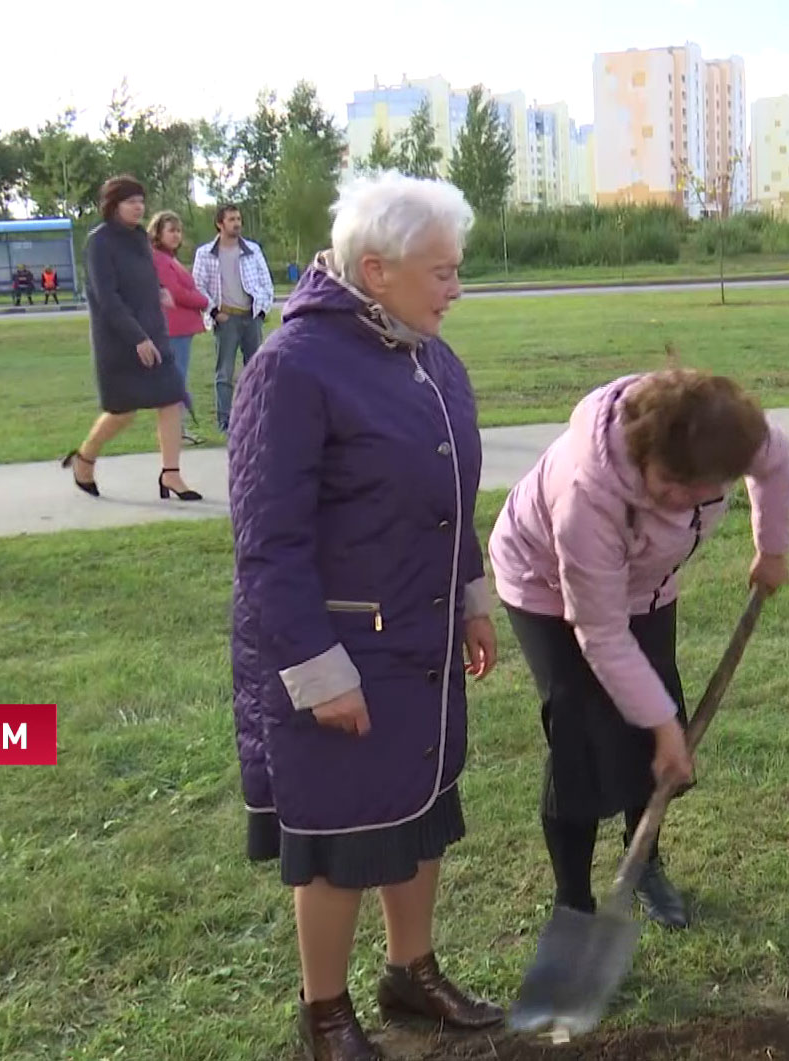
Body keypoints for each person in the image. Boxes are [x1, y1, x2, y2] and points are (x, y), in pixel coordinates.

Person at [229, 173, 504, 1061]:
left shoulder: (430, 356)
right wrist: (317, 668)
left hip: (421, 636)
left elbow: (451, 494)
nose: (456, 290)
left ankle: (410, 971)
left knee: (421, 809)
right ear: (377, 270)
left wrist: (469, 598)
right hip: (342, 644)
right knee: (340, 835)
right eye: (444, 273)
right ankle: (325, 1010)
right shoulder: (292, 367)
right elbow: (267, 541)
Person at [489, 369, 789, 931]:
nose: (684, 502)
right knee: (579, 732)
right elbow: (601, 633)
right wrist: (664, 728)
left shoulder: (729, 435)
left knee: (652, 720)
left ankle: (644, 863)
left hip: (646, 585)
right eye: (671, 487)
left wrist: (772, 548)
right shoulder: (588, 493)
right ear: (645, 453)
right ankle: (574, 904)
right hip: (548, 588)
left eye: (703, 490)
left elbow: (775, 462)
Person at [59, 176, 202, 503]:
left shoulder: (139, 238)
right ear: (113, 205)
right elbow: (107, 297)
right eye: (130, 201)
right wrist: (137, 337)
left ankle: (171, 474)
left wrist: (159, 291)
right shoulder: (100, 242)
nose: (138, 207)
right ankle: (85, 458)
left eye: (140, 200)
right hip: (120, 340)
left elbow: (141, 277)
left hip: (154, 332)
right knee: (123, 411)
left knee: (171, 398)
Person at [193, 203, 276, 432]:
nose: (237, 223)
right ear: (220, 224)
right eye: (231, 219)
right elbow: (198, 287)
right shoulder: (205, 254)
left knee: (256, 369)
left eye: (238, 219)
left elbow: (265, 282)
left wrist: (261, 311)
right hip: (226, 319)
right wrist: (213, 312)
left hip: (251, 317)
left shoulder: (252, 250)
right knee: (225, 372)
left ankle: (256, 417)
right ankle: (225, 421)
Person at [149, 211, 210, 444]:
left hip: (182, 328)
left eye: (178, 231)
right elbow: (175, 291)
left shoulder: (169, 258)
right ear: (158, 233)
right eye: (171, 230)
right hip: (173, 328)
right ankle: (176, 432)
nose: (176, 235)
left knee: (178, 379)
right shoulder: (159, 259)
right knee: (176, 380)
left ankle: (178, 430)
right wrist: (203, 301)